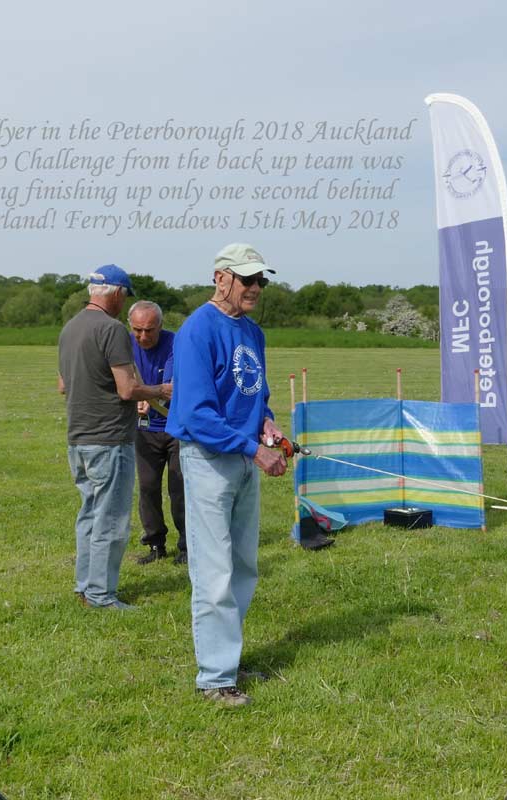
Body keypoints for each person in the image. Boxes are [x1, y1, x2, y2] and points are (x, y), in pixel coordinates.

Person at [167, 243, 287, 707]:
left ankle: (228, 660)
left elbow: (255, 394)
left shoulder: (253, 332)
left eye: (262, 280)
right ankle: (215, 679)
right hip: (210, 460)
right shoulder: (197, 331)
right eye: (247, 279)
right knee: (214, 571)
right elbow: (196, 414)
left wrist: (266, 423)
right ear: (221, 278)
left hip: (244, 457)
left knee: (242, 566)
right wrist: (254, 450)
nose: (256, 287)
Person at [57, 265, 170, 610]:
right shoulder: (112, 329)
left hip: (78, 439)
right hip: (109, 439)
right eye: (125, 297)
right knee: (111, 520)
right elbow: (127, 389)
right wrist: (161, 389)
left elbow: (62, 385)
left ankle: (84, 587)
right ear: (118, 293)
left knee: (89, 515)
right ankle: (101, 595)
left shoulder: (70, 328)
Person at [128, 300, 187, 565]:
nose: (143, 336)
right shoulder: (124, 344)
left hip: (176, 429)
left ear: (160, 325)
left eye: (149, 330)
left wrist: (148, 396)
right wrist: (135, 399)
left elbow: (170, 386)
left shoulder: (175, 343)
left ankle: (187, 546)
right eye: (137, 330)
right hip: (144, 430)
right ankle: (155, 545)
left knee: (180, 489)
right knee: (148, 487)